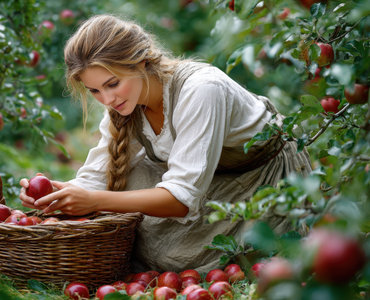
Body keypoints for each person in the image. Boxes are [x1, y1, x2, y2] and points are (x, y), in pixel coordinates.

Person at [19, 14, 312, 273]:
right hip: (207, 179)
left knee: (167, 250)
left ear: (142, 61)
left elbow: (182, 198)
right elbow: (96, 177)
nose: (107, 100)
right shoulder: (124, 107)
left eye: (112, 84)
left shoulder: (201, 90)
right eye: (94, 90)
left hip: (260, 180)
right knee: (125, 181)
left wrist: (94, 201)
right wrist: (56, 194)